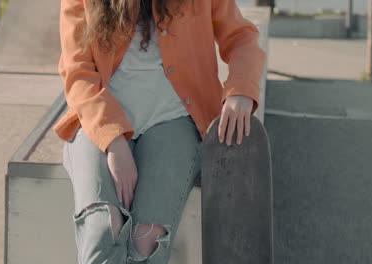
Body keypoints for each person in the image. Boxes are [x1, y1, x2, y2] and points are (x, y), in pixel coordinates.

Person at [54, 0, 266, 263]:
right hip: (98, 118)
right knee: (101, 230)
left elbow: (241, 36)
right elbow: (78, 72)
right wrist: (113, 141)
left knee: (147, 241)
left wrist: (241, 89)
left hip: (173, 118)